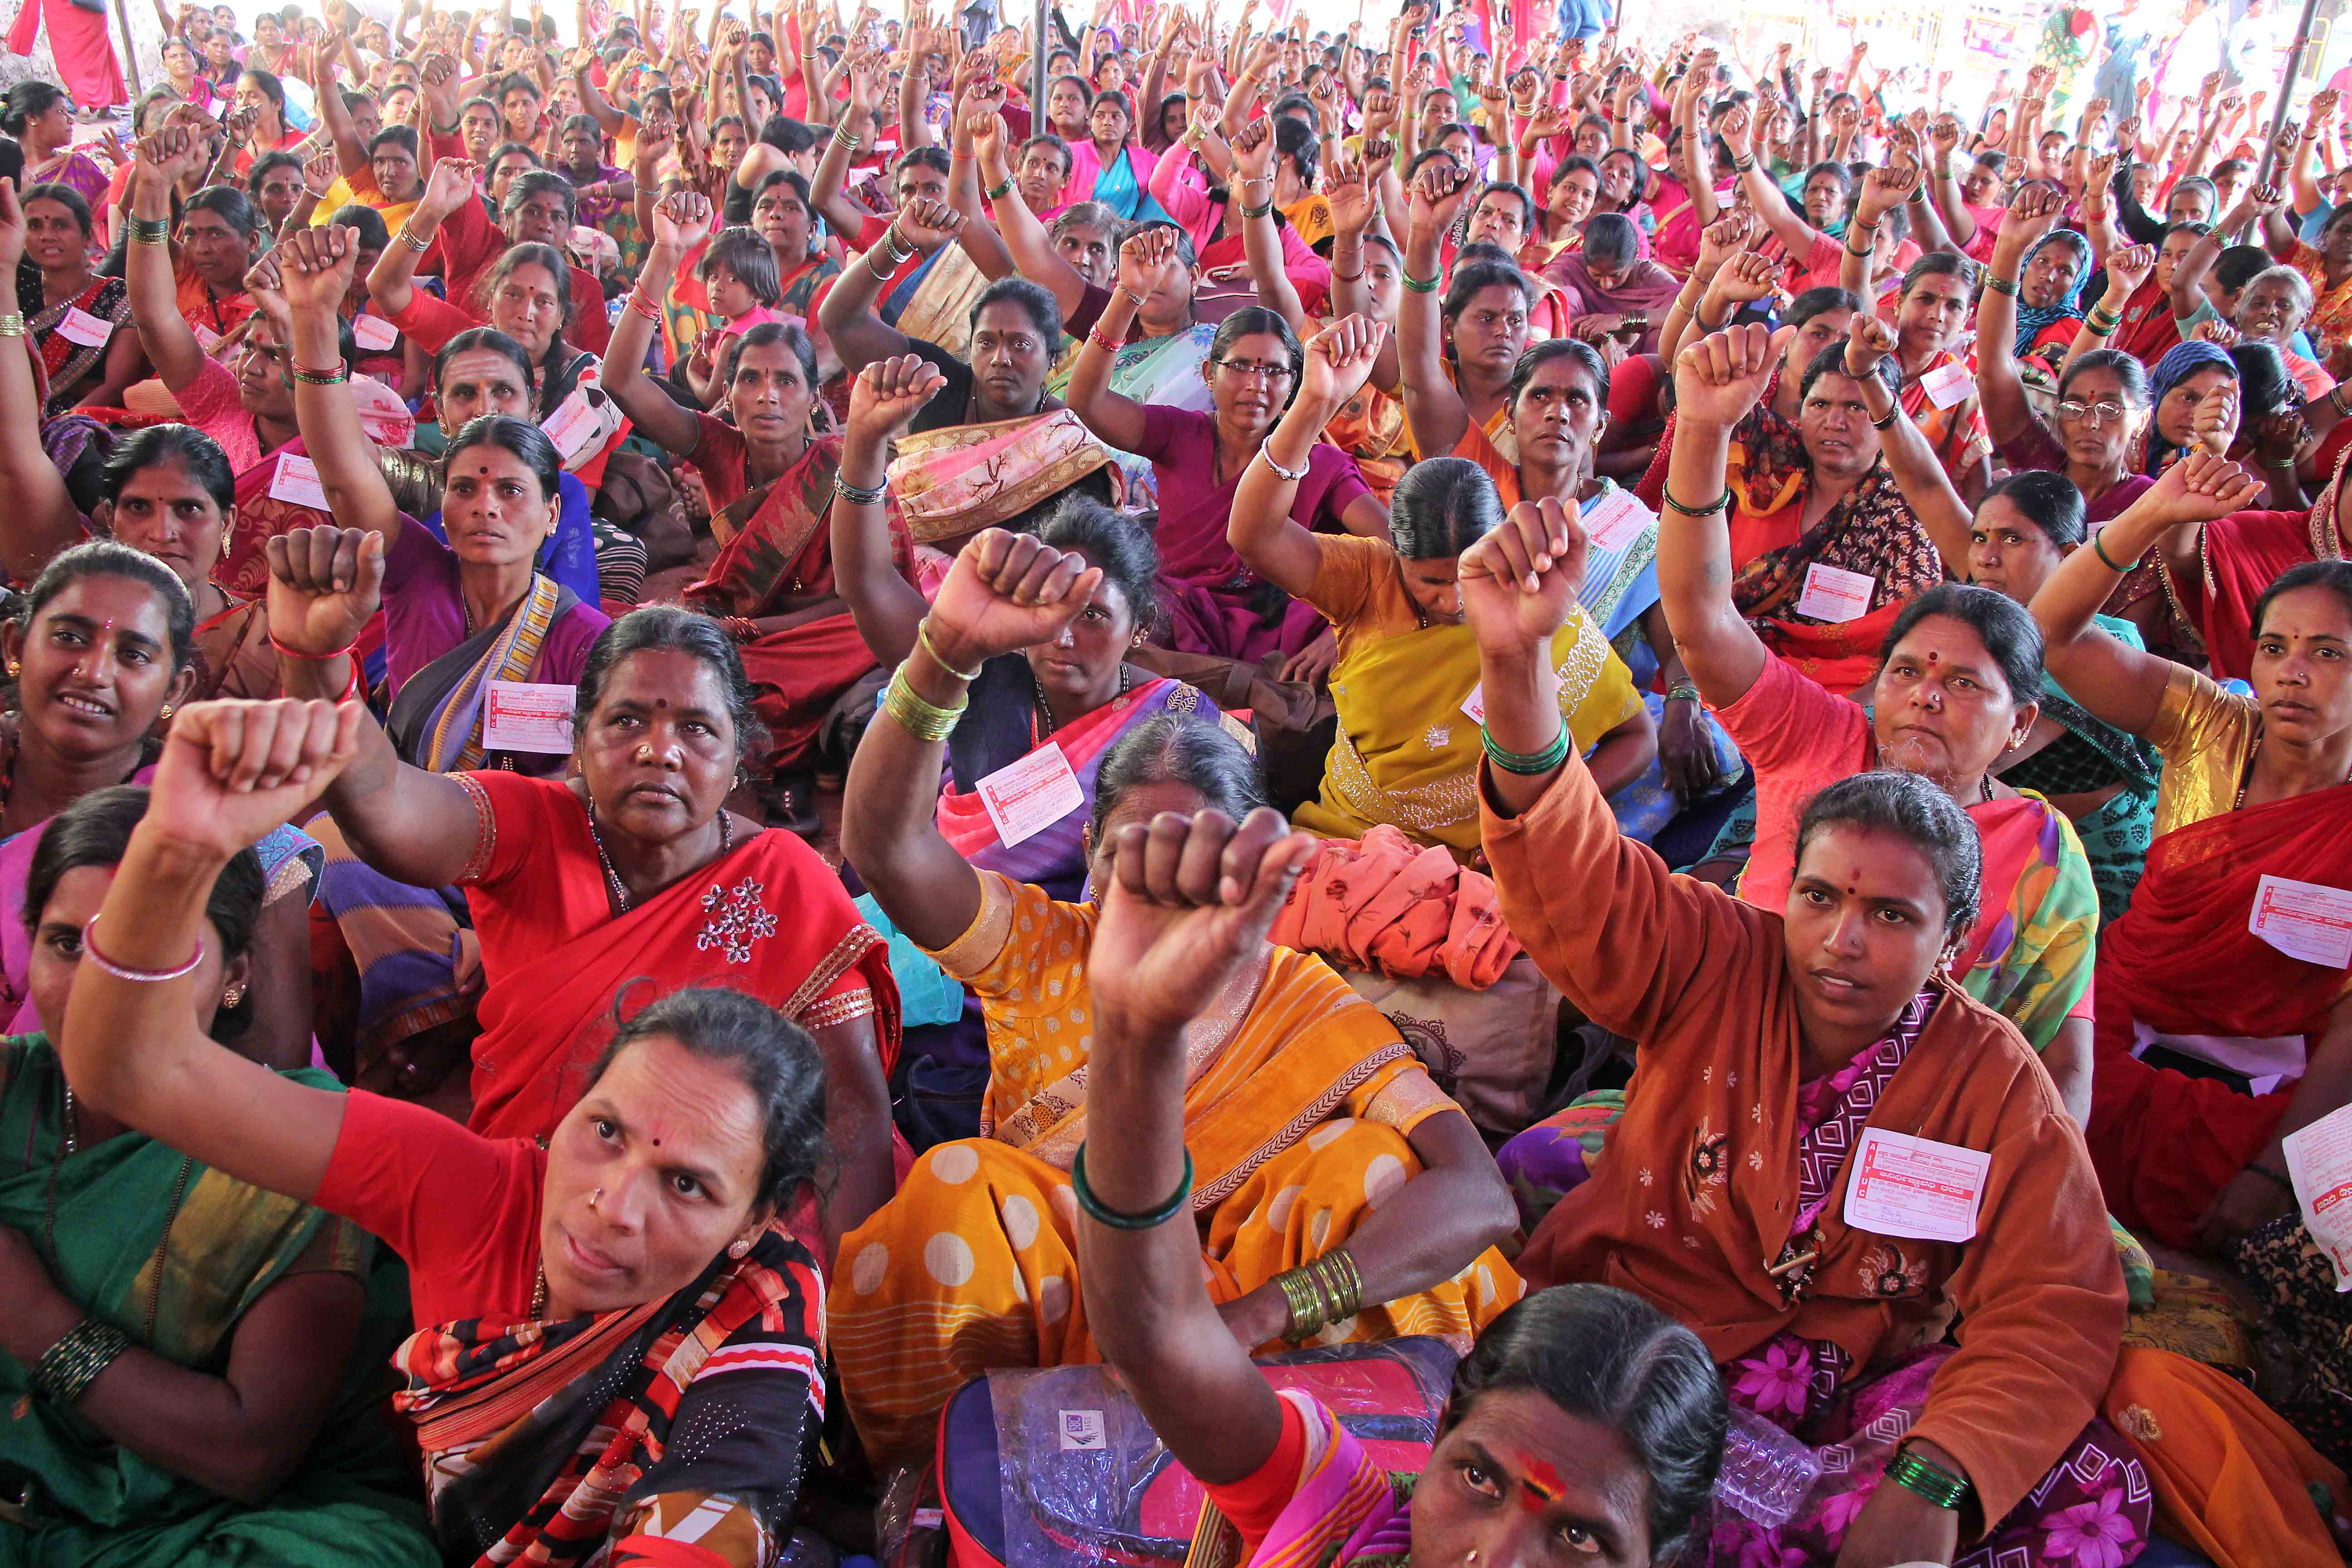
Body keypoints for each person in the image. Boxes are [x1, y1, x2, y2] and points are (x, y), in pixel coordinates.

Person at [1469, 493, 2143, 1568]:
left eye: (1889, 915)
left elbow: (2053, 1296)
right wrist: (1514, 669)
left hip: (1846, 1365)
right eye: (1821, 896)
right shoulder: (1723, 950)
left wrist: (1931, 1476)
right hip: (1637, 1324)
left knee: (2091, 1482)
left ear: (1951, 937)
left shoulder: (1987, 1071)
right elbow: (1578, 876)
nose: (1838, 938)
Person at [57, 724, 837, 1562]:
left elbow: (715, 1504)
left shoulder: (755, 1323)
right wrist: (176, 849)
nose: (611, 1202)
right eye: (604, 1131)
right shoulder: (471, 1191)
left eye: (686, 1185)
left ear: (754, 1223)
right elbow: (127, 1072)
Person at [833, 527, 1522, 1468]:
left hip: (1257, 1350)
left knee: (1366, 1168)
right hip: (1061, 1307)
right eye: (1132, 856)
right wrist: (946, 652)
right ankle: (944, 1484)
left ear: (1244, 868)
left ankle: (1349, 1481)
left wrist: (1259, 1315)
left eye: (1194, 858)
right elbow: (885, 849)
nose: (1162, 887)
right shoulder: (1043, 945)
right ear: (1089, 859)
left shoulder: (1296, 997)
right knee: (958, 1187)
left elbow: (1477, 1194)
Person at [1073, 807, 1727, 1567]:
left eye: (1579, 1536)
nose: (1491, 1557)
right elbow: (1157, 1341)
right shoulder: (1331, 1524)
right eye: (1478, 1477)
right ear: (1437, 1437)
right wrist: (1134, 1036)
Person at [0, 783, 432, 1565]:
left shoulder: (300, 1140)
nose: (107, 980)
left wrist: (32, 1317)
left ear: (236, 974)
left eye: (158, 940)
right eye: (69, 943)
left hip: (199, 1529)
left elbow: (247, 1453)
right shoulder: (9, 1092)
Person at [1658, 323, 2100, 1088]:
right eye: (1904, 671)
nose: (1924, 696)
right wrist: (1701, 429)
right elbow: (1700, 619)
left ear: (2019, 724)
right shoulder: (1822, 737)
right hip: (1732, 1075)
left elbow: (2059, 1068)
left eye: (1962, 684)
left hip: (1920, 1132)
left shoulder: (2042, 857)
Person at [2029, 456, 2352, 1257]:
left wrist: (2273, 1170)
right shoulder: (2208, 725)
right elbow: (2050, 638)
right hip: (2122, 1038)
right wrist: (2146, 517)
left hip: (2275, 1094)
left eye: (2326, 653)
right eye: (2272, 648)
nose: (2290, 673)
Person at [1228, 319, 1662, 859]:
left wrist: (1536, 820)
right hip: (1342, 845)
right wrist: (1315, 401)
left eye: (1468, 578)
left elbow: (1637, 739)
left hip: (1477, 870)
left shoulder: (1533, 602)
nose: (1453, 600)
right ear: (1397, 555)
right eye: (1430, 583)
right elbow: (1253, 535)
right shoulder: (1369, 576)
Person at [833, 355, 1193, 902]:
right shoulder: (979, 675)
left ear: (1140, 626)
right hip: (948, 932)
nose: (1062, 636)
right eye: (1046, 605)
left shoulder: (1174, 723)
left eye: (1092, 615)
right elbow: (867, 581)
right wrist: (863, 443)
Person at [605, 193, 885, 802]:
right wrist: (663, 256)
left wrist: (761, 628)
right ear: (726, 394)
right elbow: (620, 381)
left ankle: (778, 759)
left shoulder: (841, 467)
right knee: (650, 644)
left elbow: (863, 596)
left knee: (871, 637)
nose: (767, 396)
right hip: (739, 627)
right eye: (750, 381)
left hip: (817, 631)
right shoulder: (715, 446)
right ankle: (785, 758)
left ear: (815, 398)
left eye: (786, 380)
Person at [0, 541, 318, 1070]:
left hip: (144, 1136)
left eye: (133, 654)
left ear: (177, 687)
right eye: (69, 638)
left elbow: (275, 1068)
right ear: (14, 647)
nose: (94, 672)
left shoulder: (234, 830)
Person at [1068, 232, 1385, 662]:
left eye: (1275, 371)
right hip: (1168, 621)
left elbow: (1396, 549)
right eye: (1238, 367)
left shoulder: (1320, 463)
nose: (1256, 385)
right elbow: (1086, 403)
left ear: (1295, 384)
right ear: (1207, 374)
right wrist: (1127, 294)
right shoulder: (1180, 433)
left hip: (1270, 635)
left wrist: (1343, 628)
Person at [1969, 472, 2163, 928]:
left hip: (2087, 888)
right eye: (1979, 538)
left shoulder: (2108, 647)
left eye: (2012, 539)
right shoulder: (1974, 632)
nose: (1987, 557)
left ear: (2070, 557)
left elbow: (1978, 757)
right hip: (1996, 858)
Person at [14, 184, 138, 418]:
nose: (47, 236)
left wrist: (59, 425)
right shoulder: (14, 291)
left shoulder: (118, 296)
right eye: (34, 226)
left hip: (83, 422)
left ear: (88, 237)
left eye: (61, 225)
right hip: (15, 416)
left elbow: (115, 386)